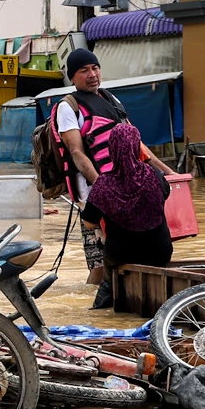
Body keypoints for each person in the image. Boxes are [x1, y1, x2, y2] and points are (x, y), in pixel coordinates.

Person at [53, 48, 174, 304]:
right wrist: (106, 191)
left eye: (95, 68)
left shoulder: (112, 100)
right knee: (97, 265)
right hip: (94, 195)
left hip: (122, 190)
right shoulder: (68, 107)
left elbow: (137, 145)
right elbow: (77, 152)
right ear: (72, 77)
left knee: (133, 247)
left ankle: (110, 305)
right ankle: (89, 304)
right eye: (83, 70)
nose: (92, 74)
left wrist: (169, 173)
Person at [81, 123, 173, 308]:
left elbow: (89, 223)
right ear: (136, 146)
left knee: (106, 285)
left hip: (121, 254)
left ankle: (101, 309)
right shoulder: (154, 174)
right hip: (159, 252)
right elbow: (166, 194)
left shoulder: (104, 184)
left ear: (111, 148)